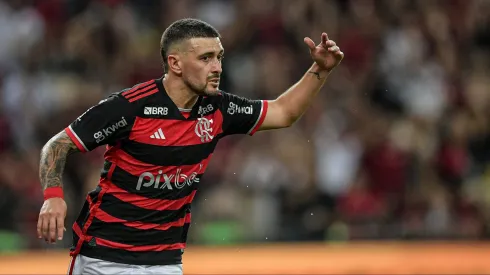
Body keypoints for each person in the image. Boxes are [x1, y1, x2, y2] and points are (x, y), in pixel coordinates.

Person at [37, 18, 344, 275]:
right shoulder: (130, 107)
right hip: (104, 258)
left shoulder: (218, 108)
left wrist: (321, 70)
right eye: (205, 58)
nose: (217, 67)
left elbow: (283, 112)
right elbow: (58, 145)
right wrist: (53, 198)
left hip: (165, 261)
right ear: (176, 63)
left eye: (219, 57)